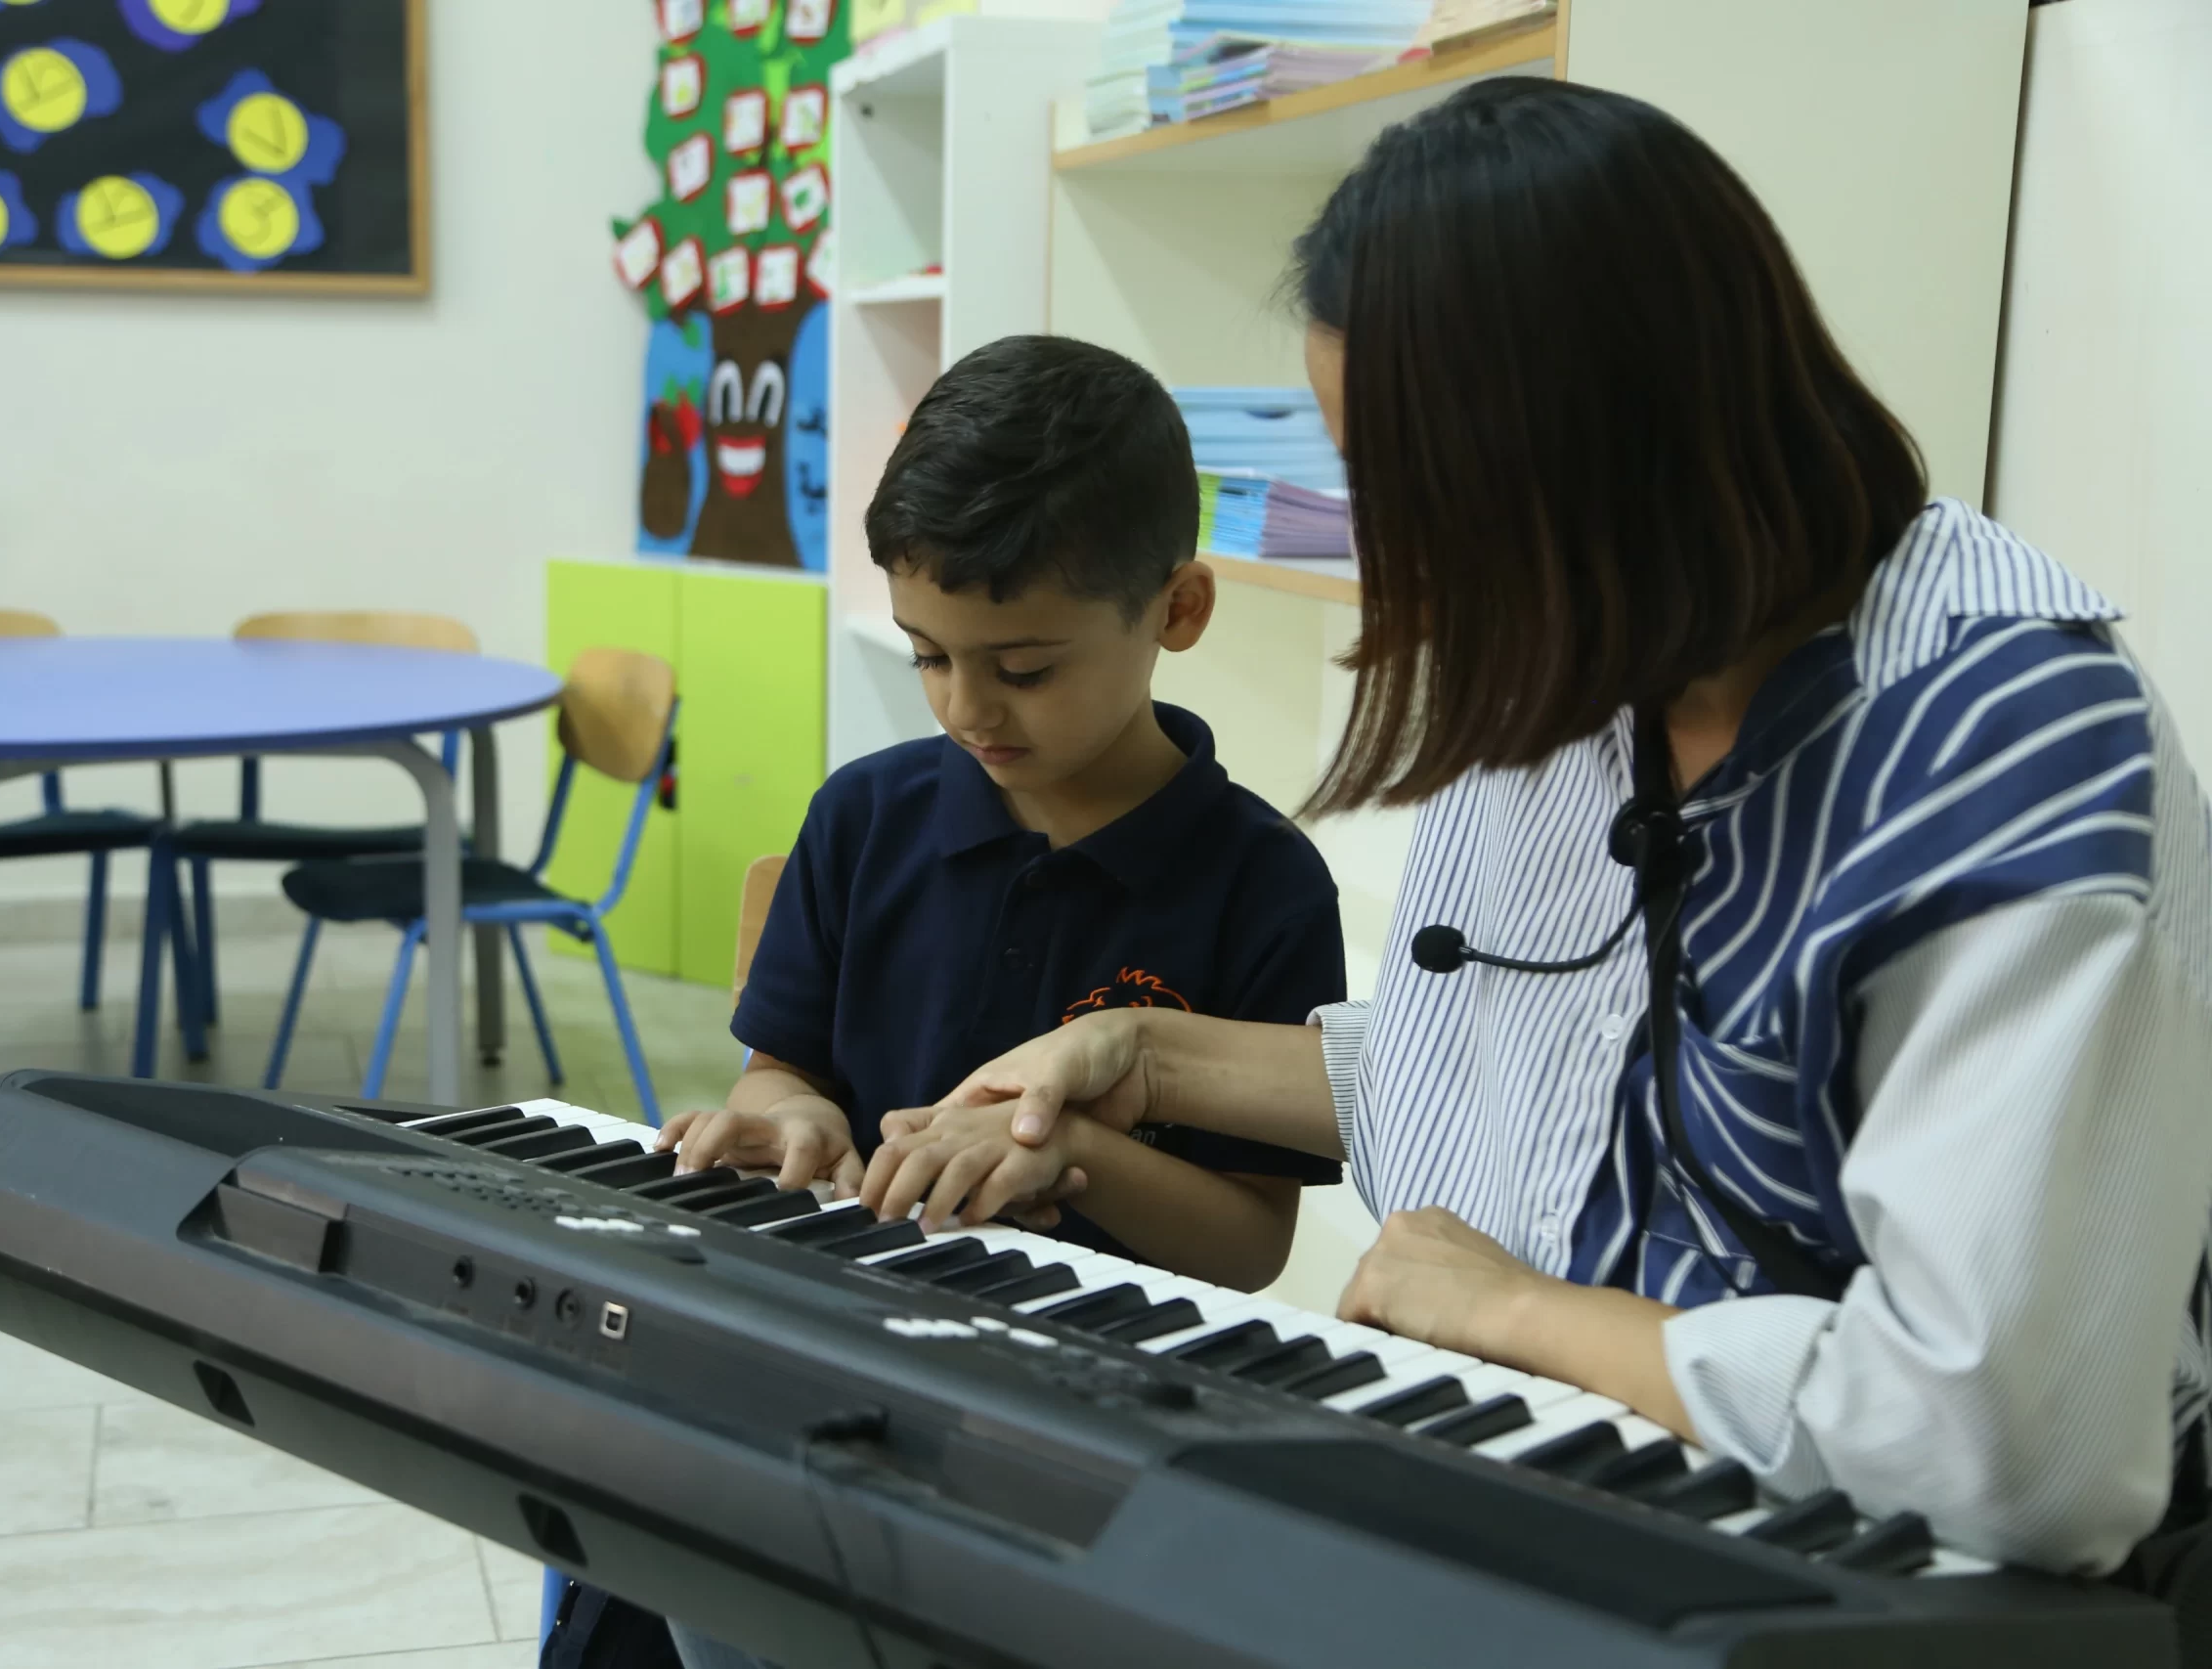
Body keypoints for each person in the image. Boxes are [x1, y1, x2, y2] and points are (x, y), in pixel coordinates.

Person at [873, 74, 2212, 1587]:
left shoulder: (2002, 742)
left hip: (1890, 1589)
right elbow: (1527, 1070)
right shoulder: (1606, 672)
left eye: (1408, 492)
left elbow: (2016, 1447)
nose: (1387, 556)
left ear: (1600, 463)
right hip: (1564, 1498)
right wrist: (1147, 1054)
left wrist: (1526, 1314)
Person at [638, 333, 1349, 1669]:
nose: (969, 707)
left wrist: (1074, 1155)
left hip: (1098, 1422)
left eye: (1022, 668)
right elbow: (781, 1072)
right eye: (928, 656)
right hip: (835, 1361)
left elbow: (1251, 1242)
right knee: (709, 1569)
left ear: (1177, 611)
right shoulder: (865, 817)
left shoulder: (1262, 882)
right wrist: (791, 1122)